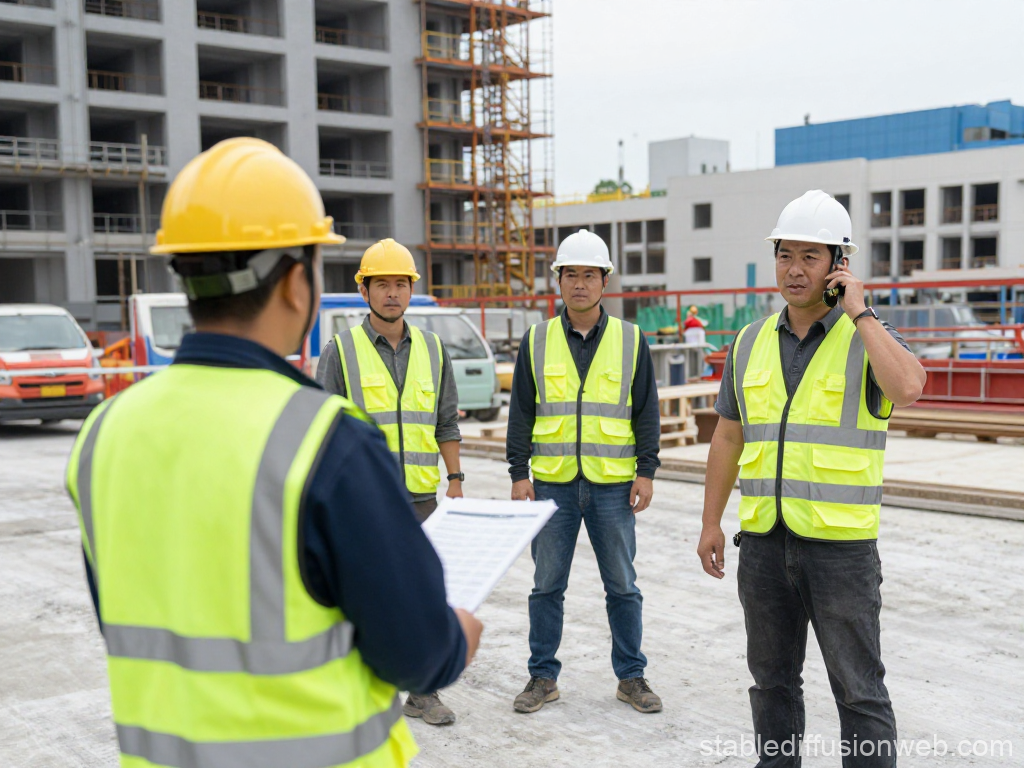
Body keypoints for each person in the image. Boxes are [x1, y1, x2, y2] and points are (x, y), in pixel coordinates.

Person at [65, 138, 483, 768]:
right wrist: (457, 638)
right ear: (296, 283)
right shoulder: (327, 442)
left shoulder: (104, 435)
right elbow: (416, 653)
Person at [696, 190, 925, 767]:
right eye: (784, 255)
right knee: (771, 684)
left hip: (840, 554)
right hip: (765, 546)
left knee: (859, 690)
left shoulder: (865, 337)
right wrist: (710, 522)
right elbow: (727, 436)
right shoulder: (749, 343)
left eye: (810, 257)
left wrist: (861, 313)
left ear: (838, 265)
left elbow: (909, 388)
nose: (794, 269)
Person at [506, 229, 663, 715]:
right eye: (570, 274)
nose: (579, 284)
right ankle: (542, 677)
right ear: (558, 280)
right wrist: (518, 472)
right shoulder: (536, 341)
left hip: (613, 485)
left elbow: (646, 411)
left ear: (604, 281)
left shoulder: (631, 340)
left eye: (589, 275)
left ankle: (631, 676)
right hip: (551, 483)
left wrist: (647, 470)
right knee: (546, 586)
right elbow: (521, 412)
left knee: (622, 585)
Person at [316, 238, 465, 725]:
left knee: (426, 595)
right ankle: (360, 695)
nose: (392, 293)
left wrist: (456, 479)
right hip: (364, 500)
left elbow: (446, 422)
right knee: (359, 597)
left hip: (423, 498)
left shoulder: (433, 348)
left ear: (411, 291)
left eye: (401, 283)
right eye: (382, 284)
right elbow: (323, 431)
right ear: (364, 290)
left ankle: (425, 692)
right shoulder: (341, 351)